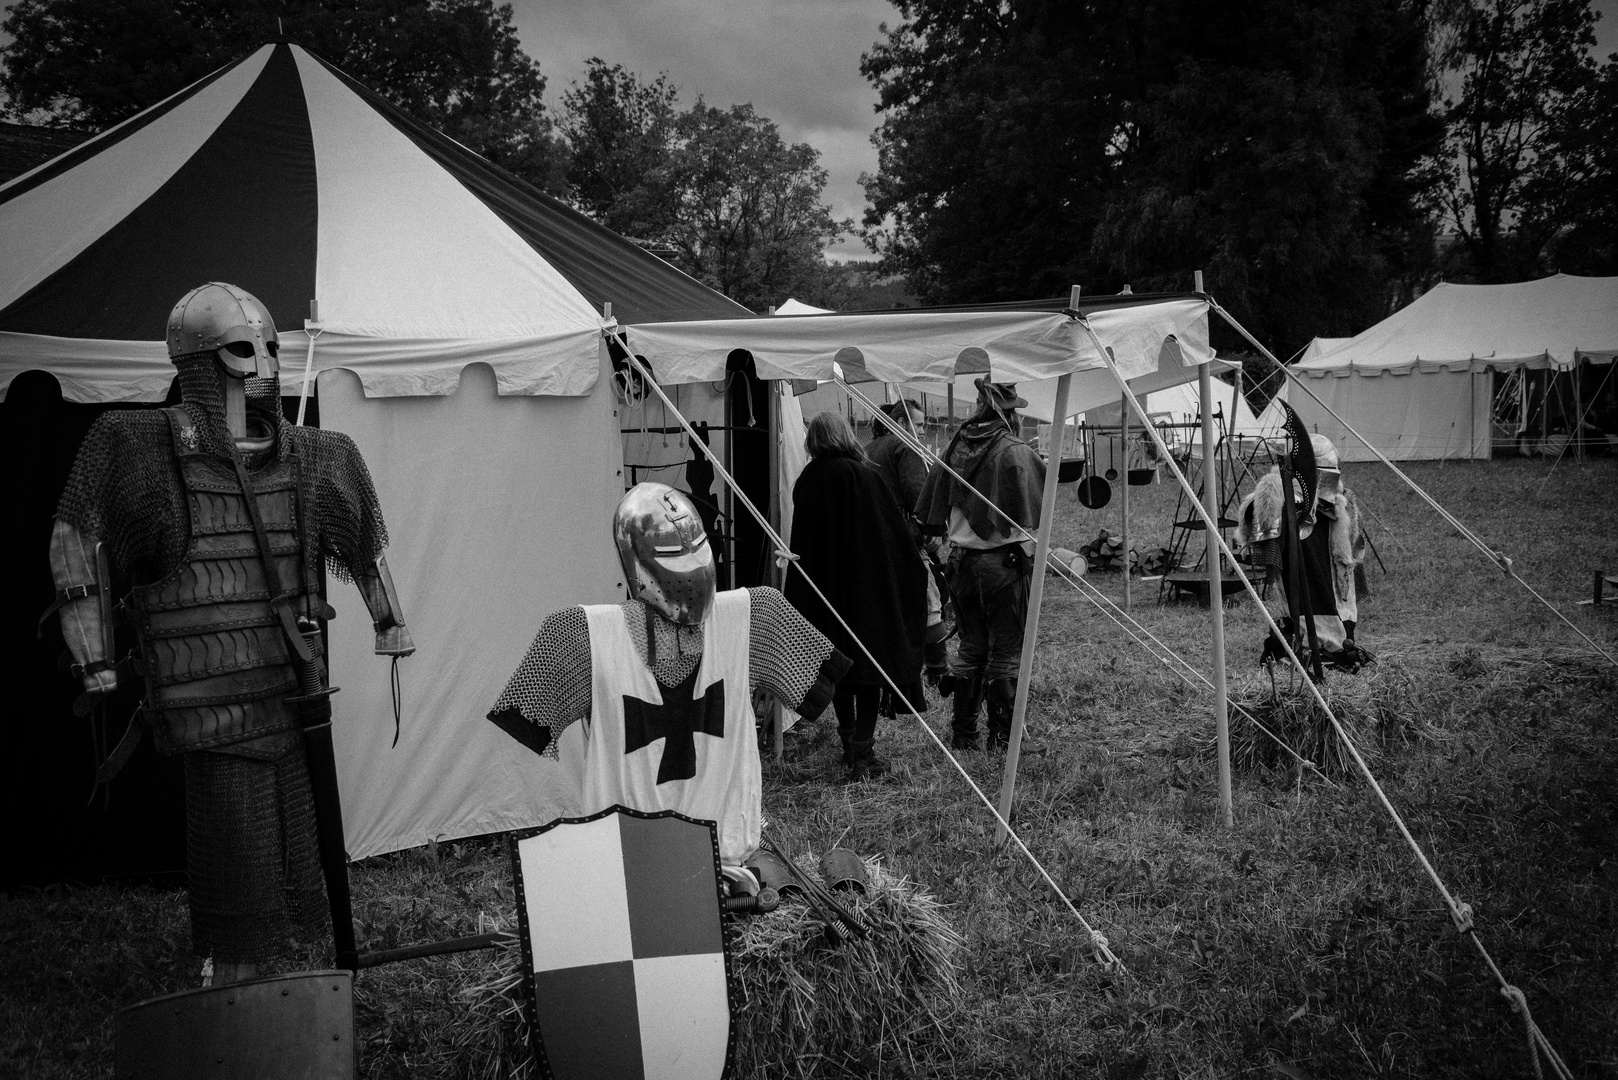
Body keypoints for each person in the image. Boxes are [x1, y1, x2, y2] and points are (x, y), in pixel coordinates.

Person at [49, 282, 413, 983]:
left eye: (271, 346)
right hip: (211, 700)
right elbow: (74, 541)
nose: (263, 362)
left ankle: (275, 968)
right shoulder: (139, 445)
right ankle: (231, 973)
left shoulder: (316, 455)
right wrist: (92, 655)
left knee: (293, 855)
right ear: (195, 361)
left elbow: (365, 543)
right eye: (240, 349)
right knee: (233, 858)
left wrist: (390, 621)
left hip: (291, 689)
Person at [488, 482, 850, 865]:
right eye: (671, 550)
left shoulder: (755, 617)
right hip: (631, 860)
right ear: (635, 561)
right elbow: (528, 721)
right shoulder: (580, 637)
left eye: (695, 544)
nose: (690, 564)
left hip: (725, 857)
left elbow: (818, 686)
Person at [784, 412, 928, 780]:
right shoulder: (863, 476)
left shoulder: (807, 480)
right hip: (864, 593)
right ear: (845, 435)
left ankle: (849, 745)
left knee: (840, 671)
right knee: (867, 672)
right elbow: (890, 538)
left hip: (825, 593)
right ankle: (862, 755)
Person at [914, 378, 1046, 751]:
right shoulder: (1013, 450)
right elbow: (1037, 501)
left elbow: (933, 507)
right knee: (1005, 651)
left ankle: (964, 733)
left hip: (961, 564)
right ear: (1009, 413)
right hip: (1000, 565)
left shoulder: (956, 445)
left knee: (973, 647)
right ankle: (1004, 737)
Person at [1238, 431, 1372, 671]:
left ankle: (1337, 642)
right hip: (1301, 587)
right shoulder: (1283, 499)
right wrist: (1273, 496)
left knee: (1338, 607)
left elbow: (1354, 557)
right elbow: (1259, 528)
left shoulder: (1344, 506)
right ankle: (1310, 644)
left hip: (1334, 583)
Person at [867, 399, 950, 682]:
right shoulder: (905, 445)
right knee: (930, 605)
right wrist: (931, 531)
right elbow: (920, 498)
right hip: (905, 543)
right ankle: (938, 672)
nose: (924, 431)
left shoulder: (868, 449)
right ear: (901, 424)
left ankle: (897, 672)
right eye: (920, 424)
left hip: (874, 543)